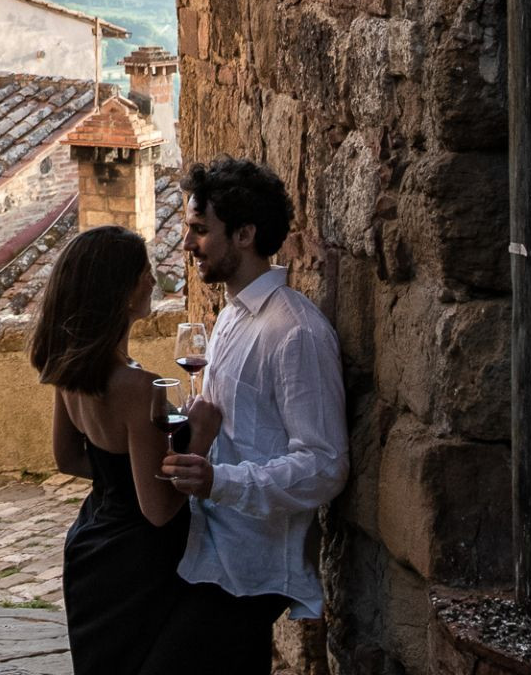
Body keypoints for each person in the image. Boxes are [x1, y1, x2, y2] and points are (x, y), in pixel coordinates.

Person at [144, 157, 348, 674]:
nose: (188, 245)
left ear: (244, 234)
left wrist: (219, 481)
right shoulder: (233, 313)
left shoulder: (296, 331)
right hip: (211, 548)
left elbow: (325, 465)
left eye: (199, 230)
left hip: (252, 564)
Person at [29, 225, 216, 675]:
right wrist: (203, 437)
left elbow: (68, 458)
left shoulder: (73, 366)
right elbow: (158, 510)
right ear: (118, 288)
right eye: (143, 272)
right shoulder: (139, 387)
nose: (152, 281)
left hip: (92, 544)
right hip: (139, 561)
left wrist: (123, 474)